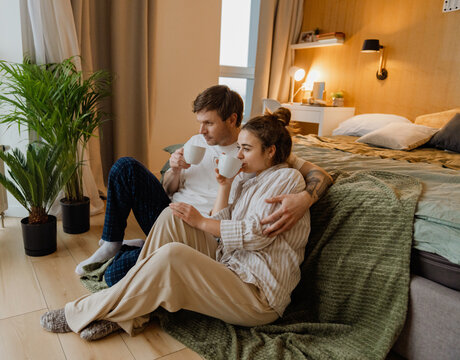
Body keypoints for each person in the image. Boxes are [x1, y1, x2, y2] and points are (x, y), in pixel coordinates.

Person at [41, 110, 311, 341]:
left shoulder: (287, 179)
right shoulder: (245, 178)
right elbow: (222, 230)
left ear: (271, 151)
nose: (238, 155)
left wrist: (201, 220)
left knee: (172, 255)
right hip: (228, 266)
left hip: (256, 296)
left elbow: (257, 235)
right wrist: (224, 187)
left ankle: (79, 311)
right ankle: (132, 313)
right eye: (238, 148)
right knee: (172, 216)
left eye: (246, 149)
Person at [74, 85, 332, 285]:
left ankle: (144, 248)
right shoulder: (197, 141)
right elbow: (168, 191)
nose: (202, 129)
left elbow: (321, 174)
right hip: (169, 215)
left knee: (115, 275)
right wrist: (174, 169)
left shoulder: (255, 151)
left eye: (209, 123)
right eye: (200, 122)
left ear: (232, 119)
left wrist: (306, 199)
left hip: (203, 231)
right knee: (125, 166)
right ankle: (112, 243)